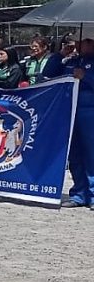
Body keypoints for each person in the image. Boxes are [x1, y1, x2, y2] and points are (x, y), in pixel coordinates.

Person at [62, 38, 94, 208]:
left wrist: (86, 76)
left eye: (87, 42)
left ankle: (93, 194)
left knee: (91, 154)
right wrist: (60, 55)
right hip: (71, 112)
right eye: (81, 42)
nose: (82, 44)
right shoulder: (72, 61)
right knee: (74, 154)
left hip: (90, 112)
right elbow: (48, 75)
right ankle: (79, 193)